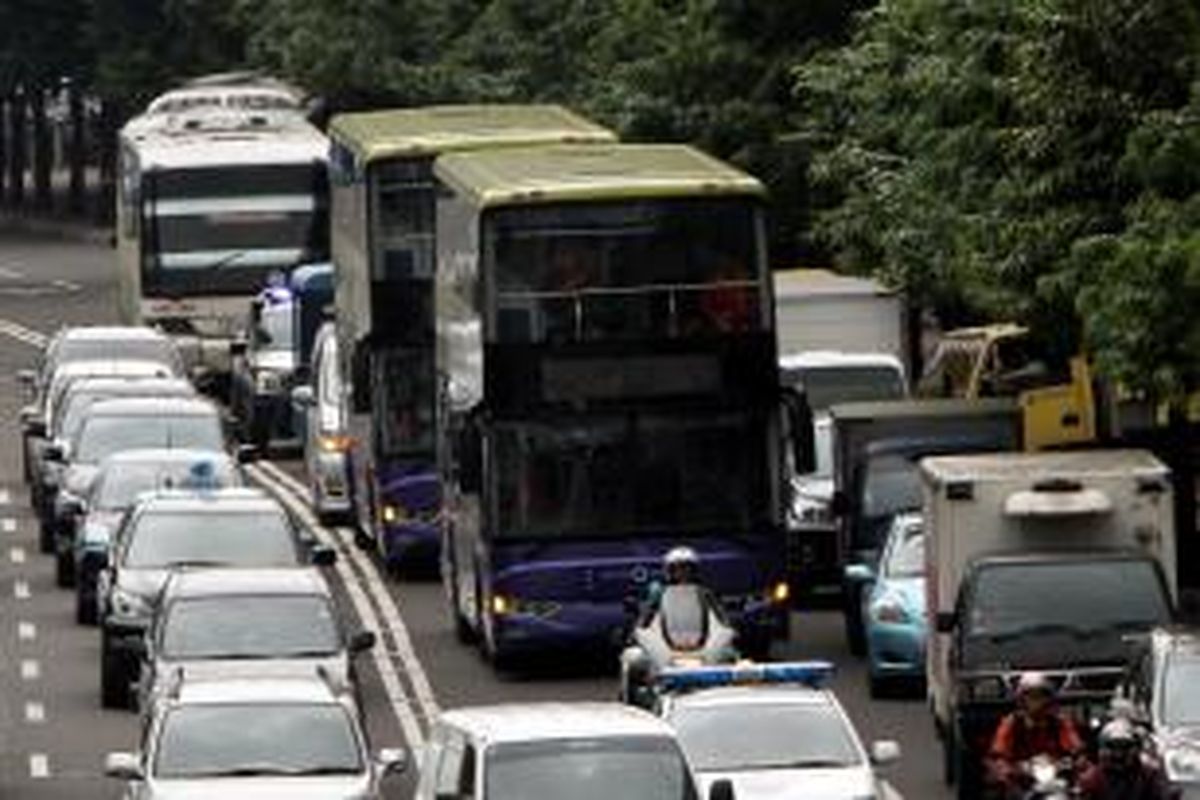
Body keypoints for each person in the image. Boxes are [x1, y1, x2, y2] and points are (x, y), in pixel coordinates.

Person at [986, 672, 1088, 799]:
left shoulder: (1059, 722)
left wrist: (1077, 760)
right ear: (1022, 699)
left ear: (1048, 699)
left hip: (1055, 778)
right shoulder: (1011, 723)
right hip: (1022, 781)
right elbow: (998, 753)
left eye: (1040, 696)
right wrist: (1005, 768)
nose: (1036, 701)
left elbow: (1076, 747)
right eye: (1031, 696)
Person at [1078, 719, 1176, 800]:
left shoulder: (1148, 775)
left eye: (1124, 747)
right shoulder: (1092, 779)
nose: (1118, 754)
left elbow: (1165, 794)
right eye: (1113, 747)